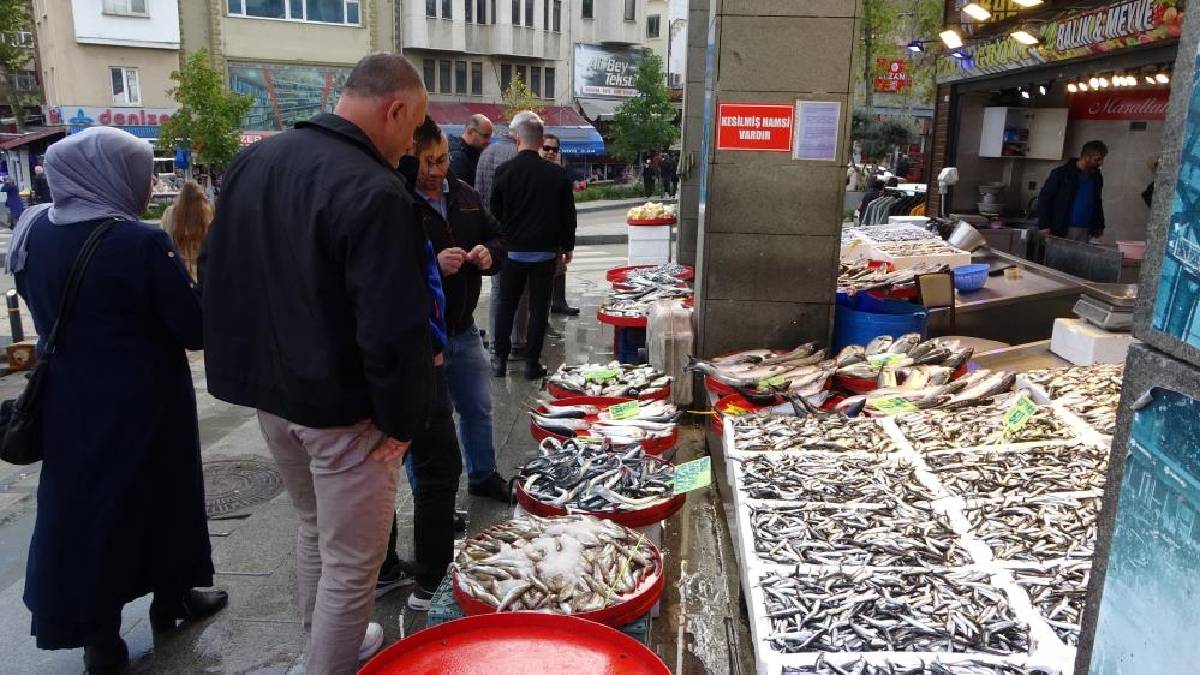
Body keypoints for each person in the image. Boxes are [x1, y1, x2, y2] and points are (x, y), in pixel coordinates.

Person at [200, 54, 433, 673]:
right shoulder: (373, 189)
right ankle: (326, 661)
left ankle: (326, 643)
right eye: (413, 129)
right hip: (341, 409)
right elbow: (392, 326)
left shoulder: (255, 161)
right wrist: (403, 419)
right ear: (395, 110)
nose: (412, 143)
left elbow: (220, 273)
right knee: (354, 563)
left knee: (313, 529)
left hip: (273, 396)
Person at [9, 127, 226, 674]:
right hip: (146, 403)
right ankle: (172, 596)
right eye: (140, 171)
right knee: (165, 500)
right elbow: (193, 327)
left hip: (70, 401)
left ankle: (99, 637)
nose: (149, 181)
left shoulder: (34, 231)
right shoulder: (138, 242)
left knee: (90, 514)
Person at [490, 112, 577, 379]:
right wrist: (566, 247)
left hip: (513, 252)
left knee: (507, 305)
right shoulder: (557, 175)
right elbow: (568, 215)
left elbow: (496, 212)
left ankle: (500, 360)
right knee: (539, 308)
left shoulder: (504, 172)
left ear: (517, 138)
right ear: (541, 141)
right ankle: (531, 363)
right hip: (544, 253)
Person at [478, 113, 539, 354]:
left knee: (498, 292)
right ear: (519, 135)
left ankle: (496, 341)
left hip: (492, 233)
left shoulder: (486, 154)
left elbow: (479, 193)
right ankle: (516, 340)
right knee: (520, 292)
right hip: (517, 238)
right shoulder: (518, 155)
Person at [540, 133, 579, 317]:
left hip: (556, 234)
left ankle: (558, 302)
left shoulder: (561, 174)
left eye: (554, 149)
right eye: (546, 148)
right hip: (538, 235)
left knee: (559, 269)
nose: (550, 152)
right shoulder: (534, 172)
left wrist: (568, 242)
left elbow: (569, 211)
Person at [1037, 140, 1107, 242]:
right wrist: (1044, 225)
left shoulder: (1097, 178)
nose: (1101, 163)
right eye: (1097, 159)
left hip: (1085, 230)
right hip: (1062, 229)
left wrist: (1099, 225)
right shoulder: (1061, 174)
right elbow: (1045, 199)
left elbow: (1097, 201)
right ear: (1087, 157)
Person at [161, 180, 212, 280]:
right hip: (201, 268)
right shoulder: (205, 212)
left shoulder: (170, 212)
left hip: (178, 268)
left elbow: (165, 238)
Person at [450, 114, 493, 188]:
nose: (488, 141)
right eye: (485, 136)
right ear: (470, 132)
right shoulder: (458, 157)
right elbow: (459, 192)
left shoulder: (473, 152)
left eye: (489, 137)